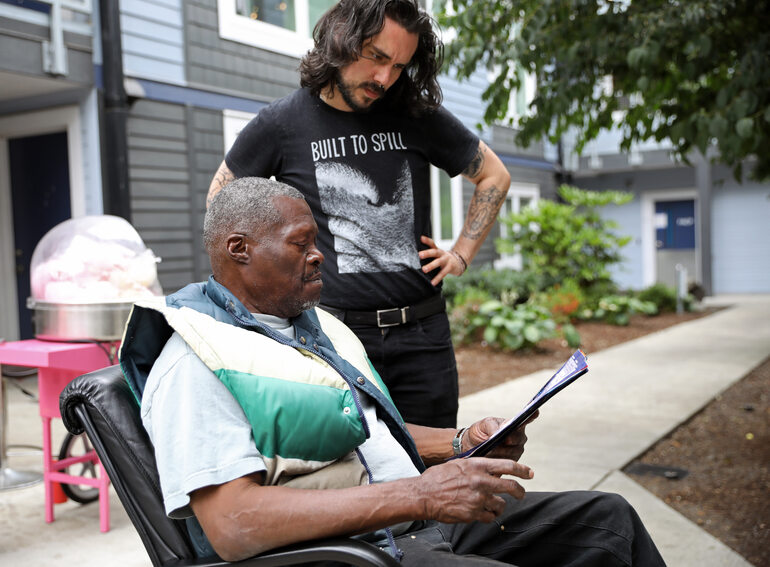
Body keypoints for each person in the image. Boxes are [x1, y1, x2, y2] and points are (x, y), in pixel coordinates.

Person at [120, 177, 665, 566]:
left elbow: (368, 434)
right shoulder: (195, 363)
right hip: (353, 553)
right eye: (300, 244)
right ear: (239, 250)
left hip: (410, 523)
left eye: (317, 242)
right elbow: (233, 524)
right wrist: (421, 496)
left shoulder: (311, 327)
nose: (319, 257)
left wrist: (461, 443)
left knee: (607, 522)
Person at [207, 0, 511, 429]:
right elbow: (221, 201)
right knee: (355, 472)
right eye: (378, 58)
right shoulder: (281, 123)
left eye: (400, 66)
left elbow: (494, 176)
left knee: (439, 469)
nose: (385, 79)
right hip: (334, 339)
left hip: (423, 338)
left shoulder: (415, 115)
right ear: (342, 41)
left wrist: (460, 254)